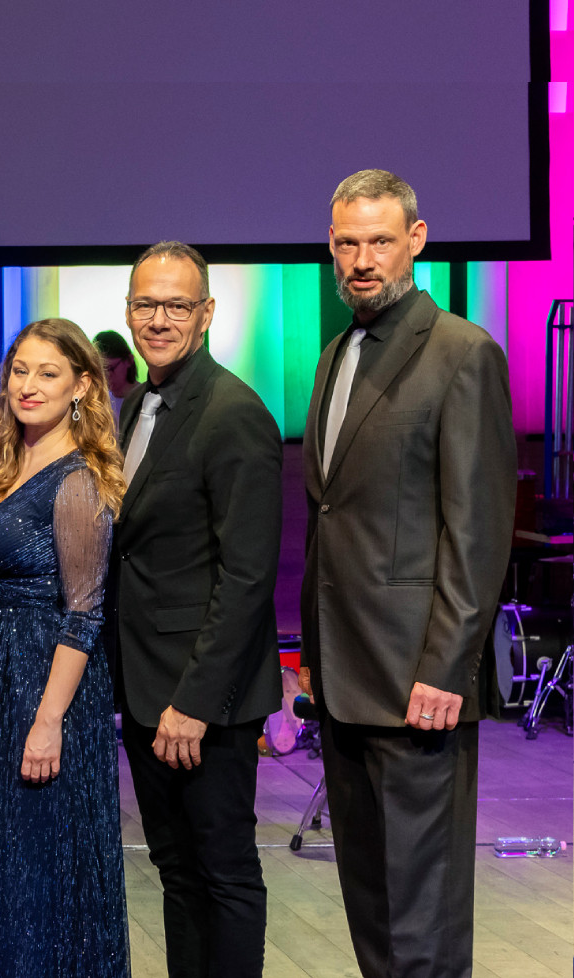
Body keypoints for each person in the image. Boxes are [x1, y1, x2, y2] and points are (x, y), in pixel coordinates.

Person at [301, 170, 515, 978]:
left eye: (379, 242)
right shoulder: (335, 354)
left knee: (421, 923)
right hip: (344, 678)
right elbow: (332, 516)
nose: (361, 260)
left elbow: (477, 531)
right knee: (373, 912)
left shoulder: (462, 353)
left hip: (418, 683)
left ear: (415, 241)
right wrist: (313, 656)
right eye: (346, 243)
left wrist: (445, 668)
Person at [111, 241, 281, 978]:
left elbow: (246, 577)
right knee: (176, 873)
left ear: (206, 313)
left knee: (225, 875)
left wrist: (194, 704)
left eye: (176, 305)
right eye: (145, 304)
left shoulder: (232, 412)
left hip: (202, 700)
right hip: (146, 688)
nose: (158, 319)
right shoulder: (135, 405)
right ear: (127, 311)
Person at [0, 318, 129, 978]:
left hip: (42, 687)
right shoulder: (4, 462)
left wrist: (48, 721)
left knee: (37, 862)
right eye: (19, 370)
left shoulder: (77, 479)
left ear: (81, 386)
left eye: (47, 373)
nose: (28, 385)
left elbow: (83, 614)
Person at [93, 330, 139, 418]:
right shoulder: (99, 404)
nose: (106, 376)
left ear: (129, 360)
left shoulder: (147, 399)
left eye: (111, 368)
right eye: (101, 371)